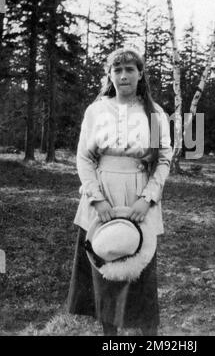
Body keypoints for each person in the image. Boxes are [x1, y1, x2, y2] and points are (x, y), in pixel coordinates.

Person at [67, 48, 173, 336]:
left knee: (140, 273)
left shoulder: (153, 112)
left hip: (139, 195)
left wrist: (147, 198)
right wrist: (97, 200)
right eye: (118, 70)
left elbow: (164, 158)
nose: (124, 75)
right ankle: (110, 339)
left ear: (140, 74)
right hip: (102, 195)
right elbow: (84, 158)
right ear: (109, 75)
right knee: (106, 266)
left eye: (130, 69)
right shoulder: (97, 110)